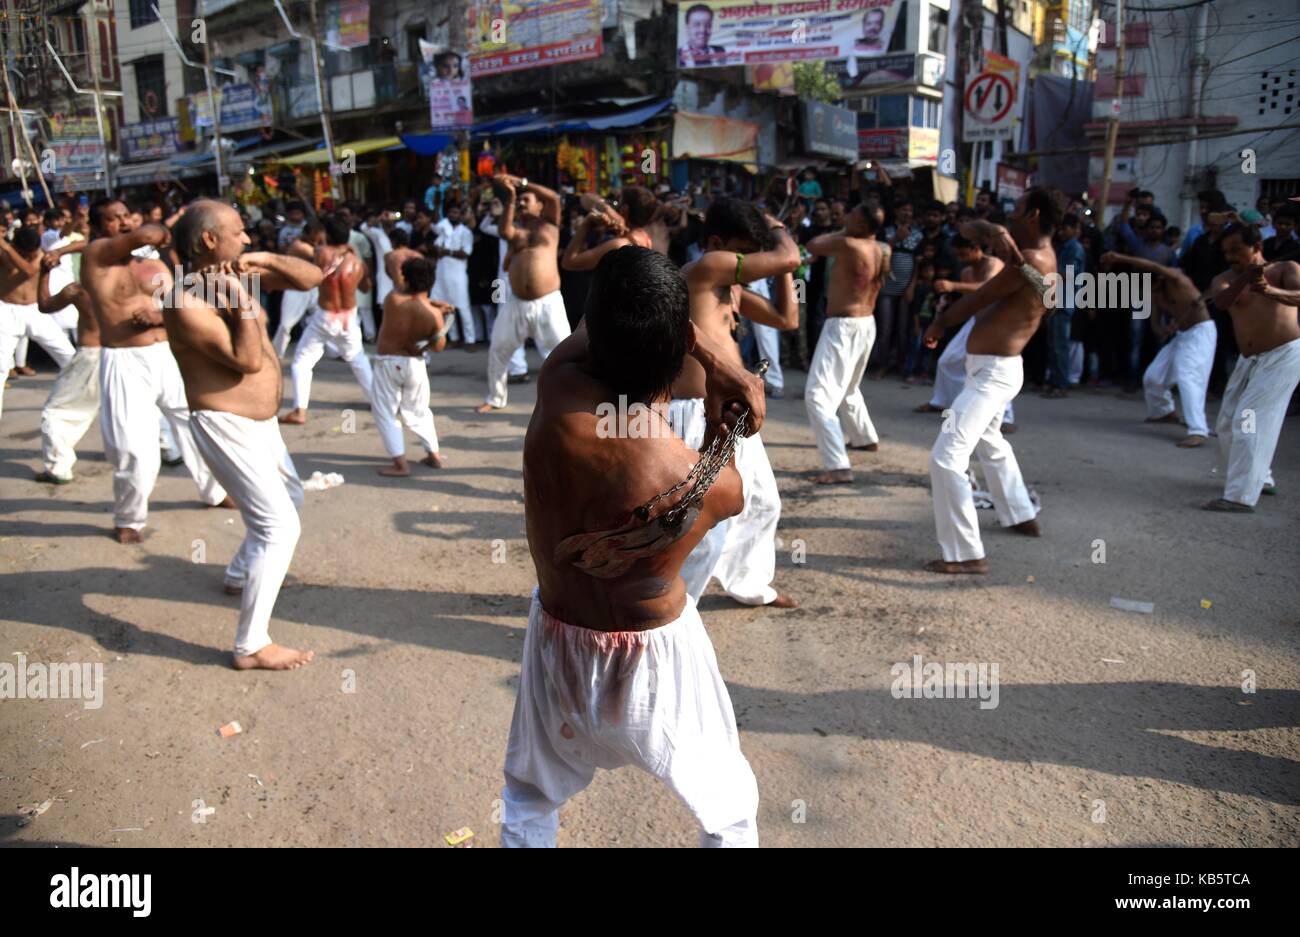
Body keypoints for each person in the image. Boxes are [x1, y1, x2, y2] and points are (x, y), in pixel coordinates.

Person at [500, 245, 766, 848]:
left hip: (557, 637)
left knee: (529, 796)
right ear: (678, 352)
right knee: (726, 814)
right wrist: (731, 376)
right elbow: (720, 479)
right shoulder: (709, 482)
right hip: (656, 657)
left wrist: (701, 351)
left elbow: (598, 325)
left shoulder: (557, 383)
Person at [166, 199, 323, 670]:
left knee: (290, 499)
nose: (247, 238)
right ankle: (251, 645)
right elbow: (247, 360)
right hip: (224, 423)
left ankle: (238, 573)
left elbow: (312, 278)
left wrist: (268, 261)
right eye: (238, 231)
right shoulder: (183, 299)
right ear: (210, 240)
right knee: (279, 528)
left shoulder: (240, 273)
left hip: (259, 423)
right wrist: (238, 298)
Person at [920, 189, 1061, 574]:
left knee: (946, 458)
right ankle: (1019, 514)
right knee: (991, 442)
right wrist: (993, 229)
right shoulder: (1041, 259)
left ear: (1032, 214)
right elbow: (969, 228)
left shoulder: (1031, 261)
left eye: (1015, 212)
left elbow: (979, 299)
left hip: (994, 373)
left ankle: (966, 554)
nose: (1011, 218)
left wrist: (940, 321)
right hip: (995, 368)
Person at [669, 197, 800, 608]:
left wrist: (784, 268)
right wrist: (778, 228)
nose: (748, 261)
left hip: (732, 414)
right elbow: (788, 255)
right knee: (699, 521)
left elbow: (786, 319)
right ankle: (671, 607)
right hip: (696, 412)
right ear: (716, 242)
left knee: (762, 501)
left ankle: (751, 585)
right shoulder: (703, 269)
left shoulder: (730, 287)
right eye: (742, 250)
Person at [80, 198, 230, 542]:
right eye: (112, 219)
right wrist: (160, 229)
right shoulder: (97, 257)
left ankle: (214, 492)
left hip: (167, 353)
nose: (122, 222)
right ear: (98, 228)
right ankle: (129, 518)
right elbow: (147, 233)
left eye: (125, 215)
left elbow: (180, 301)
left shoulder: (152, 263)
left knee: (197, 424)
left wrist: (160, 316)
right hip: (125, 359)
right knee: (133, 446)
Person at [1203, 224, 1300, 512]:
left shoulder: (1286, 268)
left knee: (1249, 422)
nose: (1230, 256)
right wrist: (1246, 276)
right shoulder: (1224, 278)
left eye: (1236, 249)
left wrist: (1269, 289)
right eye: (1226, 252)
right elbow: (1221, 302)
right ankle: (1262, 477)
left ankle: (1240, 497)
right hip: (1249, 360)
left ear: (1256, 245)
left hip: (1284, 355)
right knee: (1226, 424)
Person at [803, 203, 888, 485]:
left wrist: (843, 230)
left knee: (817, 396)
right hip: (865, 323)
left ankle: (838, 466)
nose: (845, 217)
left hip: (843, 326)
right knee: (849, 388)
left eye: (851, 215)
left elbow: (813, 244)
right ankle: (864, 438)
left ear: (862, 225)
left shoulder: (849, 243)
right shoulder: (882, 248)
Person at [1102, 251, 1216, 448]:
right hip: (1181, 336)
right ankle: (1163, 412)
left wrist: (1121, 258)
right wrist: (1164, 329)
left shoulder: (1178, 280)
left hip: (1200, 334)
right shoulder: (1154, 294)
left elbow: (1153, 266)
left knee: (1188, 376)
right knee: (1153, 377)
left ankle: (1198, 430)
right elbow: (1155, 326)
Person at [477, 174, 571, 412]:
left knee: (567, 352)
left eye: (525, 200)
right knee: (498, 349)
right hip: (516, 302)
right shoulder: (517, 232)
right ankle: (495, 398)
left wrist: (523, 183)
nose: (521, 203)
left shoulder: (550, 224)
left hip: (548, 301)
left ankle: (571, 399)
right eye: (519, 201)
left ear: (539, 205)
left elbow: (554, 197)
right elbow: (504, 231)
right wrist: (510, 198)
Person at [280, 215, 374, 424]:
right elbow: (367, 287)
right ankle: (377, 401)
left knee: (301, 362)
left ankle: (299, 411)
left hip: (326, 316)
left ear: (326, 235)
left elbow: (304, 254)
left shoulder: (321, 253)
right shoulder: (357, 262)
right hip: (349, 316)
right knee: (358, 360)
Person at [913, 235, 1011, 426]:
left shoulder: (993, 263)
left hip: (998, 323)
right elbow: (970, 300)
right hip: (976, 320)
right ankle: (941, 402)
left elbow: (988, 288)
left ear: (976, 248)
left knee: (996, 368)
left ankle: (1005, 416)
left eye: (963, 253)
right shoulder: (967, 272)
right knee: (947, 361)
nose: (960, 257)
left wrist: (953, 286)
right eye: (957, 254)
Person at [371, 257, 450, 476]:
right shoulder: (433, 315)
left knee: (385, 413)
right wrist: (439, 316)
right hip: (415, 365)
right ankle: (434, 454)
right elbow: (438, 347)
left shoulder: (392, 300)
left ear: (406, 279)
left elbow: (393, 269)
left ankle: (400, 464)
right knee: (419, 411)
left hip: (388, 362)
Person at [34, 253, 99, 483]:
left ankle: (58, 469)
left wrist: (45, 272)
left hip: (90, 357)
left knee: (56, 413)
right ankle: (170, 448)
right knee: (143, 410)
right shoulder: (132, 284)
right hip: (126, 354)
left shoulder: (78, 290)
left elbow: (44, 305)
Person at [0, 227, 75, 390]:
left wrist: (7, 247)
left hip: (35, 311)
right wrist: (6, 249)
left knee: (67, 354)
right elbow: (13, 269)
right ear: (16, 247)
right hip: (6, 310)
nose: (30, 257)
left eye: (31, 254)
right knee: (1, 365)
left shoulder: (40, 253)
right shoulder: (4, 253)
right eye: (25, 254)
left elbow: (29, 271)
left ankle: (85, 393)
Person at [271, 220, 324, 358]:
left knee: (323, 318)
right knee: (286, 324)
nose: (315, 242)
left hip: (312, 287)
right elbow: (319, 258)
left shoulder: (314, 245)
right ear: (306, 234)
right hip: (295, 288)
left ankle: (333, 350)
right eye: (313, 238)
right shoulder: (299, 246)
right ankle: (276, 353)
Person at [431, 201, 476, 346]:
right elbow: (436, 245)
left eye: (455, 213)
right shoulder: (444, 229)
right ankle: (454, 338)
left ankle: (470, 340)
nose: (452, 215)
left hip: (458, 276)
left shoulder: (465, 232)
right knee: (445, 308)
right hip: (441, 274)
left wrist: (447, 252)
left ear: (461, 216)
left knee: (463, 308)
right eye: (450, 213)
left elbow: (466, 252)